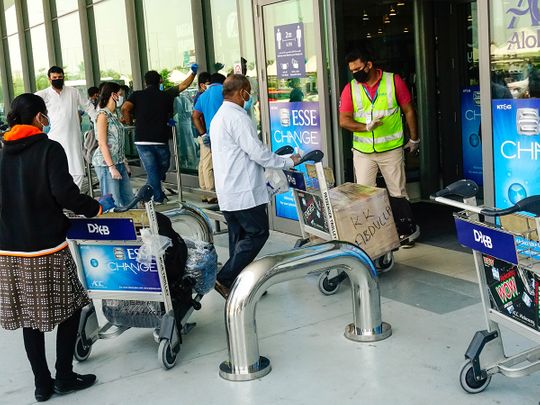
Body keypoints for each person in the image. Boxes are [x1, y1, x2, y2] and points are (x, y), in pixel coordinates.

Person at [0, 93, 114, 402]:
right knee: (71, 308)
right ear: (39, 117)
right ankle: (64, 376)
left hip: (10, 251)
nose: (48, 119)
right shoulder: (49, 149)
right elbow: (65, 194)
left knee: (28, 317)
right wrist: (96, 209)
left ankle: (42, 384)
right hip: (46, 247)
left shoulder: (3, 153)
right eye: (45, 114)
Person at [210, 74, 301, 298]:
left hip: (228, 189)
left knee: (239, 239)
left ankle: (239, 285)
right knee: (258, 233)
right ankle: (225, 278)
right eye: (249, 91)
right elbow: (257, 152)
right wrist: (289, 162)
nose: (250, 96)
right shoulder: (238, 117)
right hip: (243, 190)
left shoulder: (219, 117)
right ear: (242, 92)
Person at [339, 48, 420, 246]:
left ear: (369, 65)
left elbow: (408, 110)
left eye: (358, 69)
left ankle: (407, 231)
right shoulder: (351, 88)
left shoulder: (393, 81)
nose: (356, 74)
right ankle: (374, 235)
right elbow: (344, 120)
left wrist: (414, 139)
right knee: (365, 193)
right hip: (363, 152)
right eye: (352, 71)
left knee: (397, 190)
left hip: (391, 149)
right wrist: (364, 127)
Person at [121, 64, 198, 203]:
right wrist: (193, 73)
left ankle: (146, 193)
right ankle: (158, 197)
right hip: (160, 138)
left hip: (142, 139)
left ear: (145, 82)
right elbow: (183, 85)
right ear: (160, 81)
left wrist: (129, 122)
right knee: (163, 166)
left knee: (152, 171)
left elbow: (125, 108)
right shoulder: (166, 94)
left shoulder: (137, 95)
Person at [35, 66, 93, 188]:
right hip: (54, 138)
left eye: (60, 77)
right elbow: (29, 104)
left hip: (73, 138)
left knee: (77, 171)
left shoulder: (73, 92)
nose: (57, 79)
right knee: (55, 171)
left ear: (63, 77)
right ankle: (57, 201)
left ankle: (72, 200)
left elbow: (88, 107)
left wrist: (98, 119)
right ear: (49, 79)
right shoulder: (43, 94)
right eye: (54, 77)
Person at [92, 82, 134, 207]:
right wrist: (111, 167)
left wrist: (124, 162)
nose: (121, 97)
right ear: (113, 95)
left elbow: (118, 141)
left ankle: (131, 225)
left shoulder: (114, 115)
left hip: (119, 162)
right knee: (112, 201)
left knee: (128, 199)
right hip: (106, 164)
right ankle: (114, 226)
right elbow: (102, 143)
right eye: (120, 94)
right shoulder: (102, 115)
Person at [192, 73, 226, 203]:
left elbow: (195, 116)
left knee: (204, 163)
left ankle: (205, 191)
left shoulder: (203, 95)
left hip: (208, 134)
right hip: (223, 134)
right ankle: (212, 194)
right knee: (212, 164)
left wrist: (203, 133)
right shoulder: (224, 91)